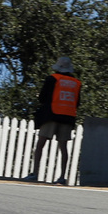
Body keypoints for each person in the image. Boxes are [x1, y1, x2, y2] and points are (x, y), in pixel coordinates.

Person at [28, 56, 81, 185]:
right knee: (63, 147)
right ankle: (62, 177)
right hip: (68, 116)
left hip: (52, 114)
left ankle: (35, 173)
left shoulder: (52, 79)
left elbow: (42, 98)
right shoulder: (77, 83)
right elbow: (78, 102)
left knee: (41, 144)